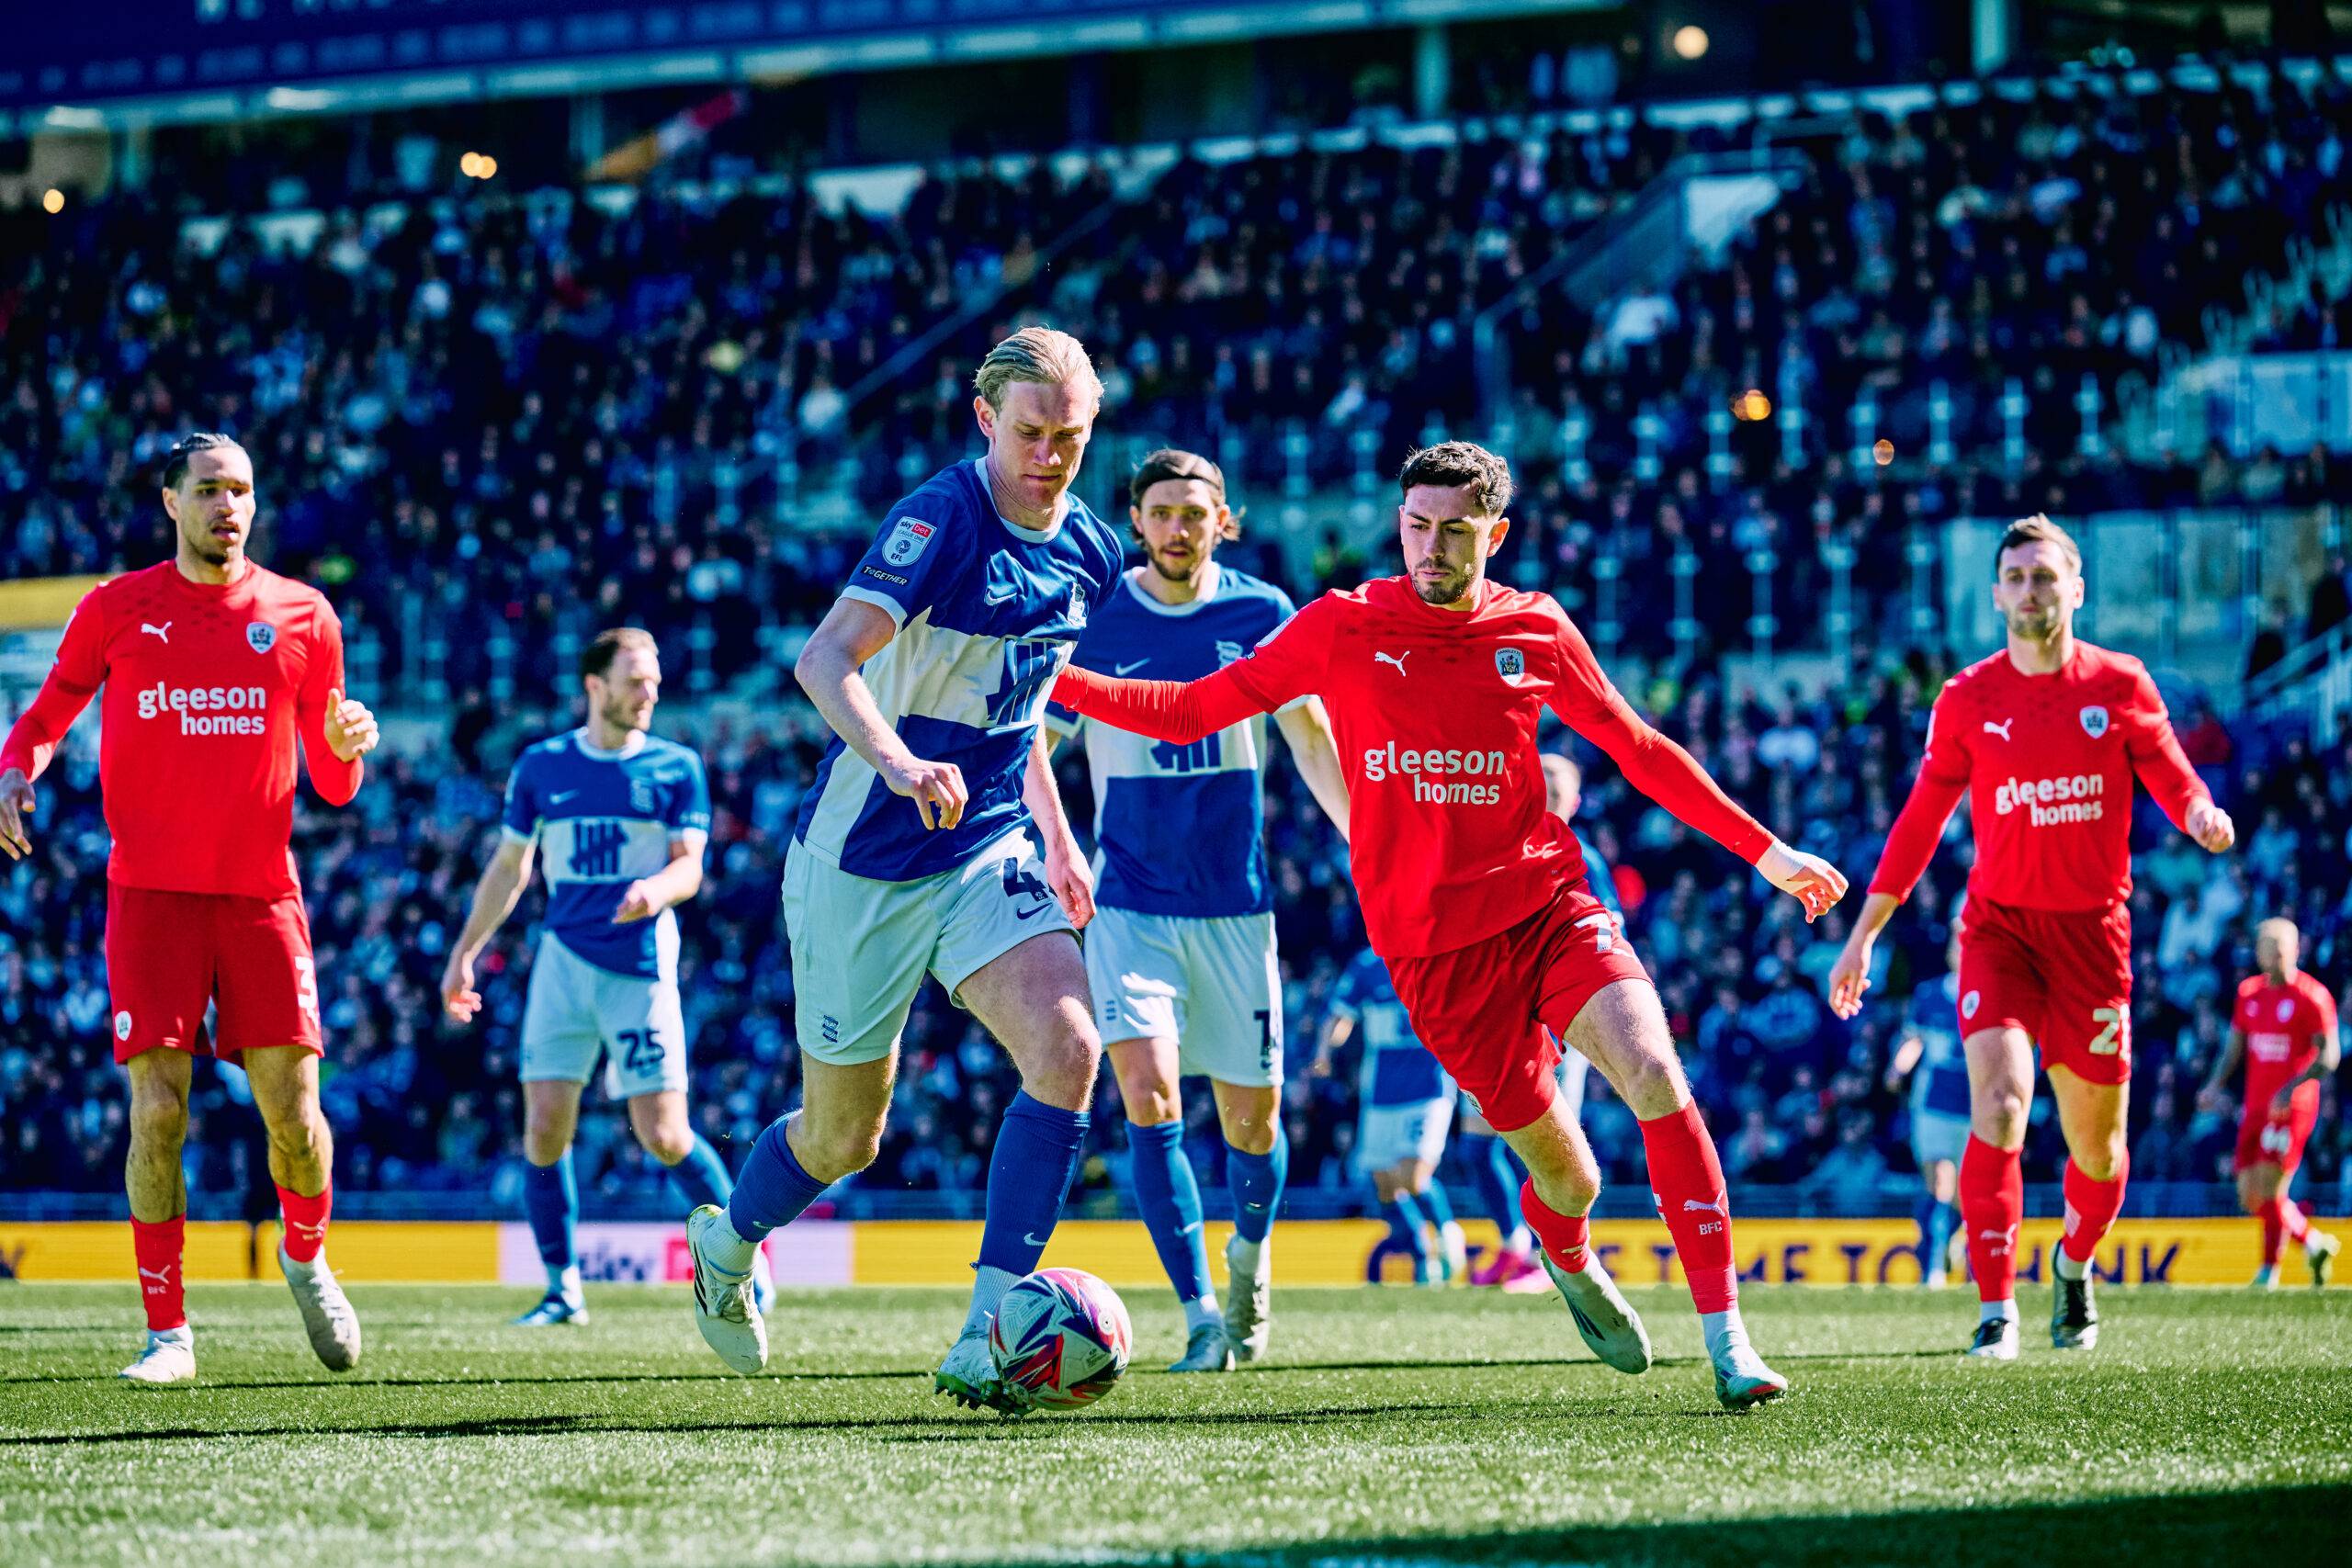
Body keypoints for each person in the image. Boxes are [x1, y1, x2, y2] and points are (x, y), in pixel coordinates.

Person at [1048, 441, 1850, 1410]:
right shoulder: (1340, 625)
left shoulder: (1535, 628)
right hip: (1433, 955)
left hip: (1546, 904)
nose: (1430, 548)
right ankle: (1561, 1246)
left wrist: (1768, 853)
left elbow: (1637, 746)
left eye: (1455, 532)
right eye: (1417, 527)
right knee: (1572, 1179)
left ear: (1494, 535)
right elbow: (1188, 713)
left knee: (1652, 1074)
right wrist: (1060, 683)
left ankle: (1729, 1345)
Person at [681, 327, 1121, 1414]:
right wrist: (897, 758)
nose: (1050, 454)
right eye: (1030, 432)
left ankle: (986, 1330)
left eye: (1070, 435)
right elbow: (822, 658)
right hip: (863, 863)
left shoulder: (1093, 550)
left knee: (1070, 1047)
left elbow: (1023, 716)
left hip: (985, 850)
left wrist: (1059, 841)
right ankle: (728, 1245)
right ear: (985, 420)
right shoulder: (938, 520)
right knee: (843, 1138)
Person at [0, 432, 381, 1384]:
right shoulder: (115, 608)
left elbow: (334, 786)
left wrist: (346, 742)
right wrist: (13, 771)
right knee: (157, 1113)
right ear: (170, 502)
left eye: (242, 490)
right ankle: (169, 1333)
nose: (230, 506)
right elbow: (48, 714)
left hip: (260, 898)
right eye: (210, 489)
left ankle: (304, 1255)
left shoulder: (303, 615)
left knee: (294, 1119)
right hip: (151, 897)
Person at [1829, 514, 2236, 1362]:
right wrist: (1866, 931)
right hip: (1999, 932)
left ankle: (2074, 1261)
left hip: (2094, 937)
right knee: (2003, 1106)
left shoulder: (2119, 683)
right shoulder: (1969, 697)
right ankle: (1994, 1307)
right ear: (1995, 595)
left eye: (2044, 576)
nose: (2029, 592)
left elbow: (2165, 764)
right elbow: (1920, 821)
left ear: (2075, 589)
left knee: (2099, 1147)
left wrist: (2197, 809)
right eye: (2014, 578)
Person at [1044, 448, 1350, 1371]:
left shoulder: (1261, 615)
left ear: (1227, 520)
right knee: (1148, 1097)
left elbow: (1311, 740)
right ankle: (1201, 1315)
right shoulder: (1094, 621)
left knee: (1252, 1128)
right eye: (1162, 510)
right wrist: (1052, 845)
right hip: (1131, 906)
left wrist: (1369, 850)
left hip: (1235, 913)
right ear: (1135, 521)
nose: (1179, 527)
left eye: (1196, 511)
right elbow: (1033, 750)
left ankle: (1249, 1264)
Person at [440, 627, 769, 1325]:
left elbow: (692, 864)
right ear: (595, 685)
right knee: (543, 1130)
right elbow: (511, 866)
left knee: (664, 1133)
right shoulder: (542, 766)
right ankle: (564, 1289)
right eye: (635, 678)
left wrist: (655, 890)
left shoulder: (676, 767)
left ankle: (748, 1258)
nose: (649, 690)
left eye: (654, 678)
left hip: (640, 968)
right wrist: (466, 949)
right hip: (563, 962)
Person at [1463, 750, 1617, 1290]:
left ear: (1574, 802)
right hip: (1500, 1021)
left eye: (1558, 786)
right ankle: (1518, 1247)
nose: (1547, 792)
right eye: (1540, 781)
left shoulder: (1586, 862)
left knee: (1551, 1149)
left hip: (1560, 1028)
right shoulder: (1501, 851)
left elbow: (1606, 937)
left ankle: (1558, 1253)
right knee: (1479, 1142)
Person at [2199, 917, 2341, 1288]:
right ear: (2259, 954)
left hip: (2291, 1109)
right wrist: (2215, 1084)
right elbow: (2234, 1048)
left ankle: (2268, 1271)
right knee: (2248, 1195)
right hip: (2255, 1106)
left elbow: (2330, 1057)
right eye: (2268, 951)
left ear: (2296, 950)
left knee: (2271, 1188)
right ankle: (2313, 1243)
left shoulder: (2312, 997)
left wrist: (2293, 1087)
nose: (2276, 958)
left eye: (2282, 951)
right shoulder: (2249, 993)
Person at [1315, 947, 1466, 1286]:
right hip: (1381, 1091)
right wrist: (1325, 1052)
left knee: (1413, 1176)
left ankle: (1446, 1233)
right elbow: (1341, 1013)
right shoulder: (1368, 964)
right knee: (1384, 1183)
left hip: (1429, 1085)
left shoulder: (1435, 953)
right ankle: (1421, 1256)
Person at [1886, 927, 1972, 1287]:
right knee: (1939, 1180)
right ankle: (1932, 1267)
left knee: (1966, 1196)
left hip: (1975, 1108)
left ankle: (1954, 1239)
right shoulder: (1930, 994)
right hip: (1933, 1105)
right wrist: (1898, 1067)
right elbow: (1914, 1040)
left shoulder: (1991, 994)